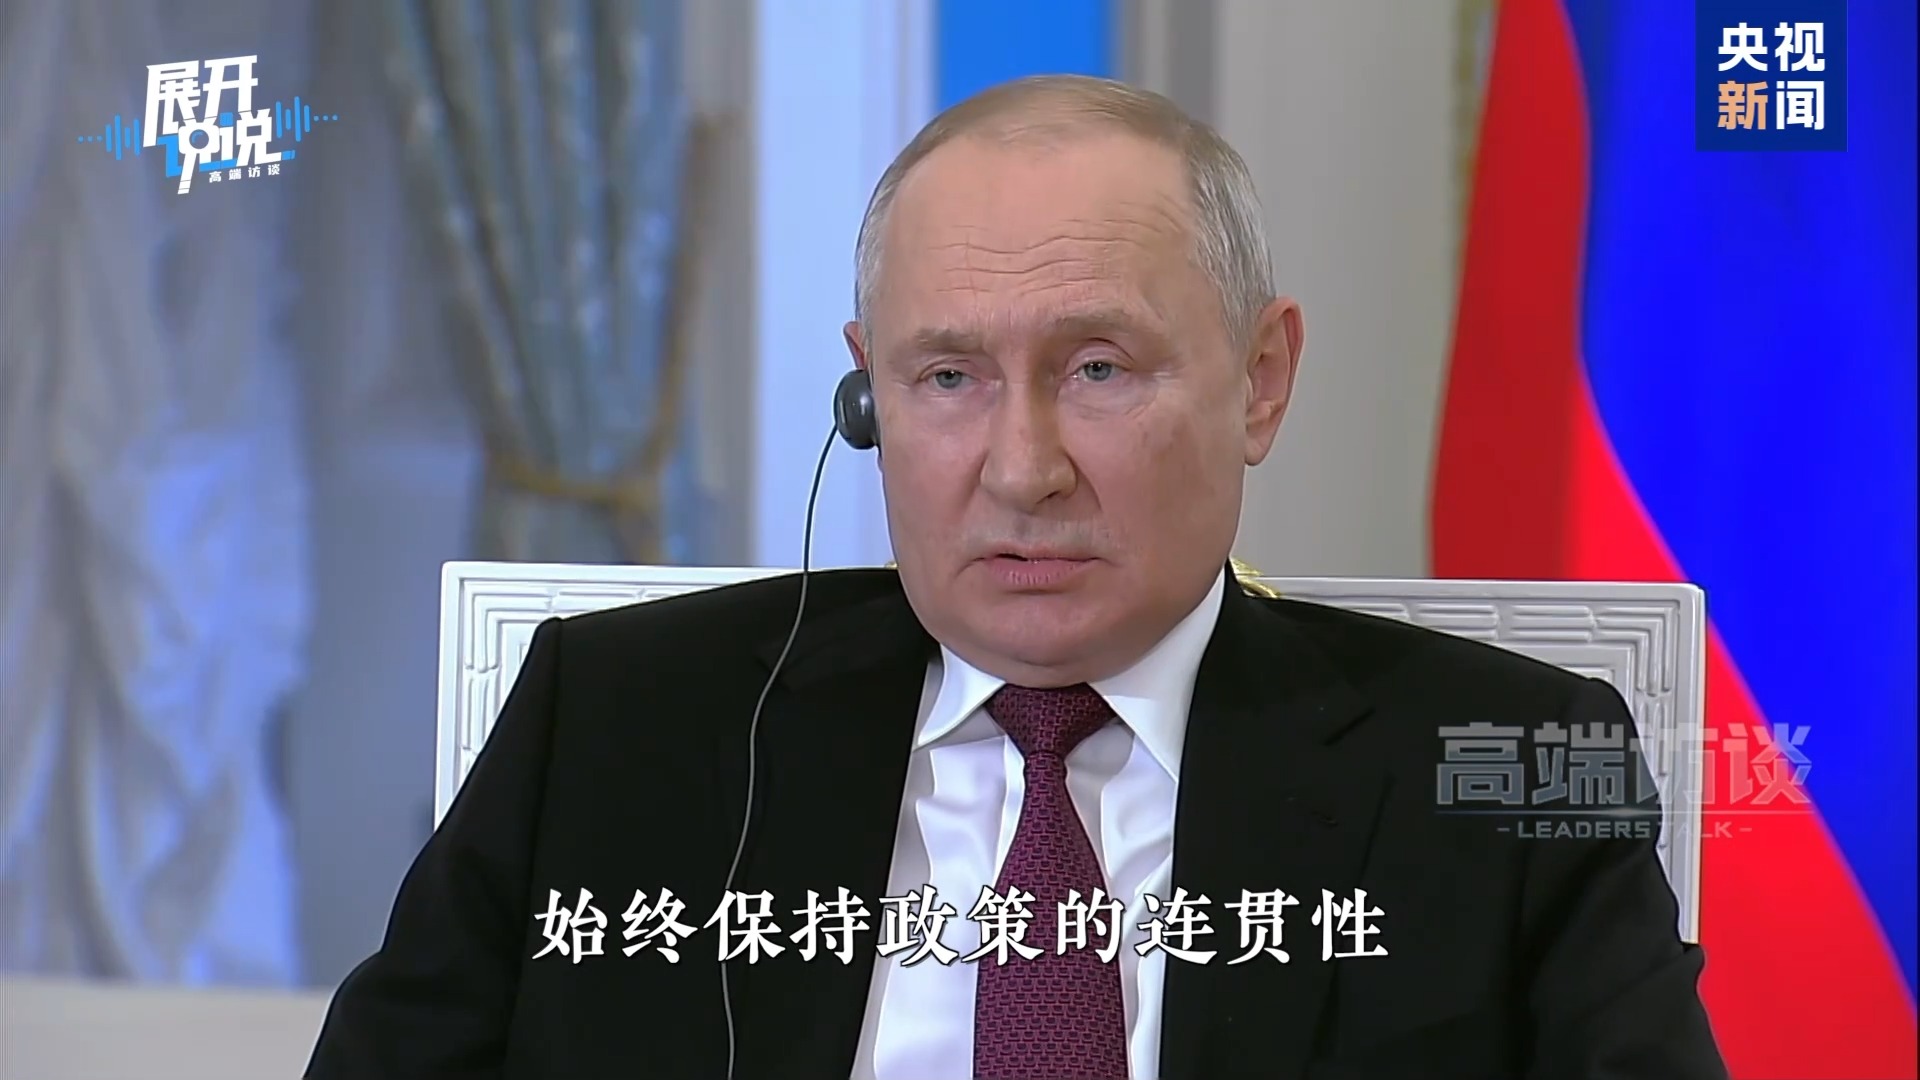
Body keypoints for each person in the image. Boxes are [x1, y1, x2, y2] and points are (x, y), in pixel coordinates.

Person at [305, 75, 1727, 1080]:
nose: (1022, 468)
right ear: (868, 395)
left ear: (1260, 380)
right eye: (947, 378)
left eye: (1099, 368)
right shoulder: (620, 723)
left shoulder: (1510, 763)